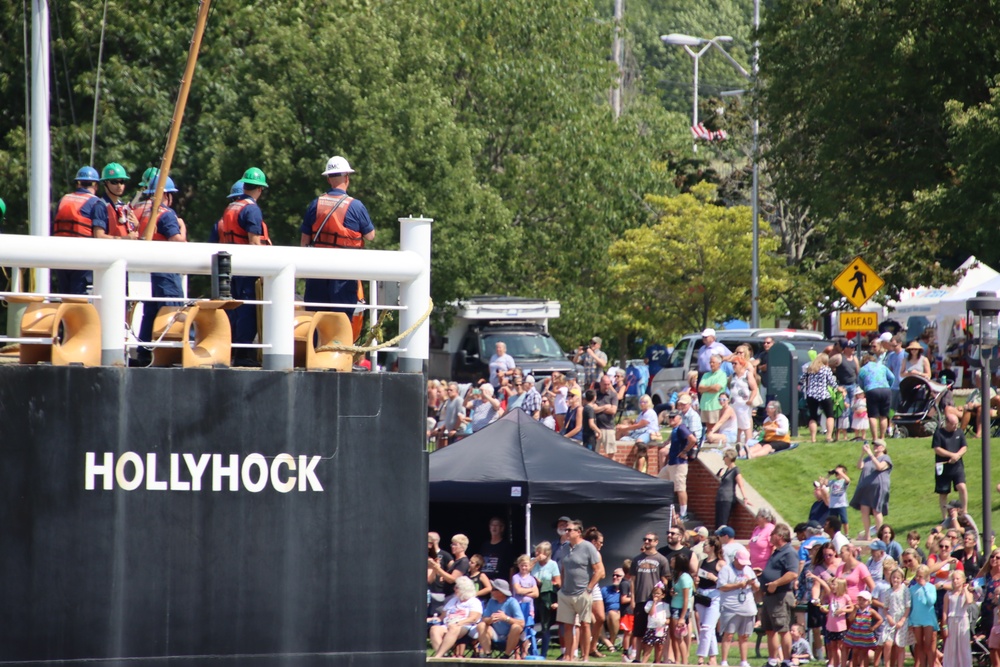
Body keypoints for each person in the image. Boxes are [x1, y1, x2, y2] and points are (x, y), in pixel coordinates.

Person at [300, 155, 375, 316]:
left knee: (315, 319)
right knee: (340, 320)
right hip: (344, 273)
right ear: (347, 178)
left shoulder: (315, 204)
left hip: (317, 271)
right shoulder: (356, 206)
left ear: (328, 179)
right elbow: (370, 236)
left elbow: (304, 241)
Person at [218, 167, 271, 366]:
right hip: (247, 270)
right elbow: (255, 243)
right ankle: (244, 355)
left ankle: (234, 351)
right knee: (248, 311)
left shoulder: (232, 207)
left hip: (232, 268)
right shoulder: (252, 209)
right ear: (260, 189)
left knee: (235, 311)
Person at [134, 176, 187, 367]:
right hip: (165, 272)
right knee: (170, 311)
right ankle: (168, 354)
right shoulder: (165, 214)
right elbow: (177, 242)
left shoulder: (137, 211)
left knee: (149, 313)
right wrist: (182, 228)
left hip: (143, 272)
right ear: (166, 195)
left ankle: (144, 353)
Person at [52, 166, 109, 294]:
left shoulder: (64, 200)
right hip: (83, 257)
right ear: (95, 185)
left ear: (78, 183)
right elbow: (99, 236)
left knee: (65, 297)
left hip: (60, 256)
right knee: (79, 298)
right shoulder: (97, 203)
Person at [556, 520, 604, 662]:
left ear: (578, 532)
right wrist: (562, 588)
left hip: (582, 592)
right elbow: (563, 569)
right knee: (568, 625)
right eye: (566, 530)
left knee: (585, 624)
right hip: (566, 593)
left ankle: (585, 657)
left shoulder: (588, 547)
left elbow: (599, 571)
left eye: (570, 530)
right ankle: (568, 656)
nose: (567, 532)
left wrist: (588, 588)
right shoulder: (564, 548)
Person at [759, 523, 799, 667]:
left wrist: (775, 583)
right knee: (770, 630)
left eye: (772, 534)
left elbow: (793, 573)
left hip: (780, 596)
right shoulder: (777, 551)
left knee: (783, 629)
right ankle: (772, 660)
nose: (770, 537)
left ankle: (787, 661)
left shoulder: (789, 552)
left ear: (780, 536)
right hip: (770, 597)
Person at [630, 531, 671, 662]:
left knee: (657, 631)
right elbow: (632, 580)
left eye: (649, 540)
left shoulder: (661, 559)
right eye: (645, 539)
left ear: (656, 542)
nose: (646, 542)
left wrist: (663, 597)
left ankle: (656, 660)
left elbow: (665, 580)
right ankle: (637, 658)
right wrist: (632, 599)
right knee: (639, 631)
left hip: (656, 600)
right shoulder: (637, 559)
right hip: (640, 598)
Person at [717, 548, 760, 667]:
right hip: (731, 606)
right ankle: (724, 661)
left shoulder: (749, 570)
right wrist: (738, 585)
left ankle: (744, 661)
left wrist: (753, 584)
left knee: (744, 635)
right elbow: (722, 586)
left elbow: (757, 588)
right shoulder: (726, 569)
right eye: (741, 563)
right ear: (735, 559)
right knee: (729, 634)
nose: (742, 566)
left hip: (747, 607)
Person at [429, 576, 484, 658]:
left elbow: (474, 618)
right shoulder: (453, 600)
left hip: (465, 626)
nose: (454, 589)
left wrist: (458, 623)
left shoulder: (474, 602)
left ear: (464, 589)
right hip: (448, 624)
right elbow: (442, 617)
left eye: (457, 587)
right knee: (434, 629)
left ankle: (438, 656)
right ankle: (444, 656)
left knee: (453, 628)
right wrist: (430, 619)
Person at [849, 439, 892, 540]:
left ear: (883, 448)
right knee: (864, 511)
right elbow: (859, 466)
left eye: (878, 446)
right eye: (874, 445)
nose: (875, 447)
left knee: (876, 510)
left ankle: (879, 535)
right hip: (866, 488)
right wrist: (863, 454)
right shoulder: (868, 458)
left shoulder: (886, 458)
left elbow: (880, 467)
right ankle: (867, 535)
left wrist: (871, 454)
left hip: (879, 487)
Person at [471, 578, 525, 658]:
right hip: (495, 633)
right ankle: (488, 654)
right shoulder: (491, 601)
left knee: (516, 627)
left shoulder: (512, 602)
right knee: (481, 625)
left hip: (509, 634)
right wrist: (490, 619)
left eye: (494, 589)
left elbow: (522, 623)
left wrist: (506, 618)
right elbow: (484, 619)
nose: (491, 591)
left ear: (501, 592)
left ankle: (506, 655)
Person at [660, 410, 697, 521]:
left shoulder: (681, 428)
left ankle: (684, 514)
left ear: (679, 418)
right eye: (670, 417)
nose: (671, 419)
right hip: (671, 463)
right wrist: (667, 441)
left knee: (680, 489)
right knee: (659, 481)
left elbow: (693, 439)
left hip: (679, 464)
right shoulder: (675, 429)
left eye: (673, 417)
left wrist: (685, 451)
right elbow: (674, 437)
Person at [694, 536, 724, 666]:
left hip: (715, 596)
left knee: (706, 628)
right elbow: (698, 576)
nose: (703, 546)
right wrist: (696, 581)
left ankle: (701, 657)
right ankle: (712, 659)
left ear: (712, 547)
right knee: (708, 628)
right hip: (701, 595)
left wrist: (714, 578)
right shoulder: (702, 562)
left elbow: (726, 582)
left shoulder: (720, 563)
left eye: (705, 544)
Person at [933, 413, 968, 519]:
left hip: (957, 466)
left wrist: (957, 455)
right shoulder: (939, 433)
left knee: (962, 486)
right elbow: (937, 449)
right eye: (953, 424)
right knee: (943, 493)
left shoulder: (959, 432)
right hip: (943, 467)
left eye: (957, 424)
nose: (956, 426)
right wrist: (951, 455)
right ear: (947, 423)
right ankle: (945, 517)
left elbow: (964, 447)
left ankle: (964, 512)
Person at [800, 353, 839, 443]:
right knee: (830, 415)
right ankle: (828, 437)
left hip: (811, 394)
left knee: (813, 417)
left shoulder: (810, 369)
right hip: (823, 394)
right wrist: (838, 388)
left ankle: (813, 438)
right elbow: (831, 382)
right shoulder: (826, 369)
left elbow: (802, 380)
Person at [530, 541, 560, 657]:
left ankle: (544, 653)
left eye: (540, 551)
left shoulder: (552, 564)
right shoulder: (534, 562)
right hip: (532, 596)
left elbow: (558, 582)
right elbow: (525, 570)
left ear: (546, 553)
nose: (537, 553)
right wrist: (535, 560)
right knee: (529, 623)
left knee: (545, 626)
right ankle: (529, 650)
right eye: (536, 551)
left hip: (545, 597)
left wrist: (542, 582)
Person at [942, 569, 974, 667]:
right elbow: (945, 611)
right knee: (951, 646)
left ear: (963, 580)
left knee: (963, 645)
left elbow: (969, 601)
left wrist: (965, 589)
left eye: (957, 579)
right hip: (952, 620)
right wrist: (944, 626)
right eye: (953, 579)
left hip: (963, 620)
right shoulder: (948, 595)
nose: (955, 581)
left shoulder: (967, 593)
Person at [857, 357, 895, 440]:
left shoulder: (862, 370)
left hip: (871, 390)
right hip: (886, 390)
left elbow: (860, 383)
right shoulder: (882, 366)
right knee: (883, 415)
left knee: (872, 416)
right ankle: (882, 437)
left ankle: (875, 438)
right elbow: (892, 377)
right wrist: (888, 386)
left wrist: (865, 389)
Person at [99, 163, 139, 239]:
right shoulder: (101, 206)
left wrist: (136, 225)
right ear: (105, 183)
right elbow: (99, 236)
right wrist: (125, 238)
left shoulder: (123, 206)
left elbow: (130, 233)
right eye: (114, 182)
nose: (119, 185)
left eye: (122, 182)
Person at [907, 565, 937, 667]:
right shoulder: (912, 589)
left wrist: (925, 587)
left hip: (928, 619)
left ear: (926, 577)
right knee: (919, 645)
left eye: (921, 576)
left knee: (928, 645)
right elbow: (910, 606)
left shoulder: (931, 587)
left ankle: (931, 664)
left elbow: (931, 601)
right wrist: (909, 621)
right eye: (917, 576)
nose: (919, 579)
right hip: (916, 619)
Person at [882, 567, 912, 667]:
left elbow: (908, 607)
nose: (895, 580)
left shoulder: (905, 591)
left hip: (902, 619)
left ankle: (900, 665)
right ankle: (887, 664)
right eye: (894, 577)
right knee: (888, 643)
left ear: (902, 579)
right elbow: (885, 608)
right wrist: (889, 617)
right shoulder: (888, 592)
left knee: (900, 645)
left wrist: (902, 620)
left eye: (898, 578)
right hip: (891, 619)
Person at [844, 590, 882, 667]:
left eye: (864, 600)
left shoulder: (871, 611)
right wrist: (854, 610)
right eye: (859, 599)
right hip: (856, 634)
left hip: (865, 635)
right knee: (855, 652)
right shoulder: (856, 610)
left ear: (869, 602)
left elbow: (880, 619)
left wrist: (873, 628)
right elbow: (850, 619)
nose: (861, 602)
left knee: (864, 653)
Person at [715, 448, 751, 528]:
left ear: (729, 458)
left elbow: (740, 484)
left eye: (724, 457)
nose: (723, 459)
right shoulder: (727, 470)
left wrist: (745, 497)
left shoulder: (736, 470)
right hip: (720, 498)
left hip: (727, 499)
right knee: (718, 523)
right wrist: (721, 476)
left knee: (722, 523)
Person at [669, 552, 693, 663]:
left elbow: (686, 599)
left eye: (673, 560)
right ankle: (677, 661)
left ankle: (684, 662)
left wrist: (682, 617)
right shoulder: (676, 575)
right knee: (674, 636)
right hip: (674, 606)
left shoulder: (685, 578)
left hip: (680, 610)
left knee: (679, 637)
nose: (671, 562)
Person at [640, 583, 670, 664]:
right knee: (649, 646)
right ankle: (643, 663)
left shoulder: (666, 605)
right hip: (651, 627)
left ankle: (657, 662)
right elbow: (651, 613)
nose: (656, 595)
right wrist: (654, 603)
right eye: (654, 593)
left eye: (658, 593)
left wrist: (664, 622)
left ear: (663, 595)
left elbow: (668, 618)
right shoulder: (649, 603)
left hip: (661, 628)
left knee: (659, 646)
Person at [699, 354, 728, 431]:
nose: (711, 364)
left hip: (715, 405)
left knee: (715, 427)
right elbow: (700, 388)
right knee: (708, 427)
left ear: (719, 363)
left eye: (713, 362)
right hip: (705, 404)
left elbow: (717, 388)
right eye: (710, 362)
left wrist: (706, 389)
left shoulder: (722, 375)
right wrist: (711, 387)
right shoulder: (706, 375)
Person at [600, 568, 625, 653]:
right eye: (613, 575)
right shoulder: (605, 590)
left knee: (612, 614)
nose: (615, 577)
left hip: (621, 617)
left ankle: (612, 642)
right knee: (594, 615)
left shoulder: (627, 591)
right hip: (605, 616)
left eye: (618, 576)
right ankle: (609, 643)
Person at [593, 374, 619, 455]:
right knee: (593, 453)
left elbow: (613, 411)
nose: (607, 386)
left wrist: (599, 408)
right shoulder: (594, 394)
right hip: (595, 427)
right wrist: (605, 407)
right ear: (600, 383)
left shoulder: (613, 395)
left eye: (609, 384)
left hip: (608, 427)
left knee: (611, 453)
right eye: (605, 384)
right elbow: (593, 409)